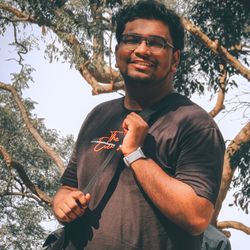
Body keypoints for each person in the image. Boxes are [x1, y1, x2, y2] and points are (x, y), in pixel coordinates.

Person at [52, 1, 225, 249]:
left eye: (156, 43)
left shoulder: (194, 123)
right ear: (117, 52)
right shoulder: (98, 115)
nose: (142, 50)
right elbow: (68, 186)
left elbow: (196, 216)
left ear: (175, 59)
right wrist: (62, 204)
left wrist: (135, 155)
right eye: (132, 39)